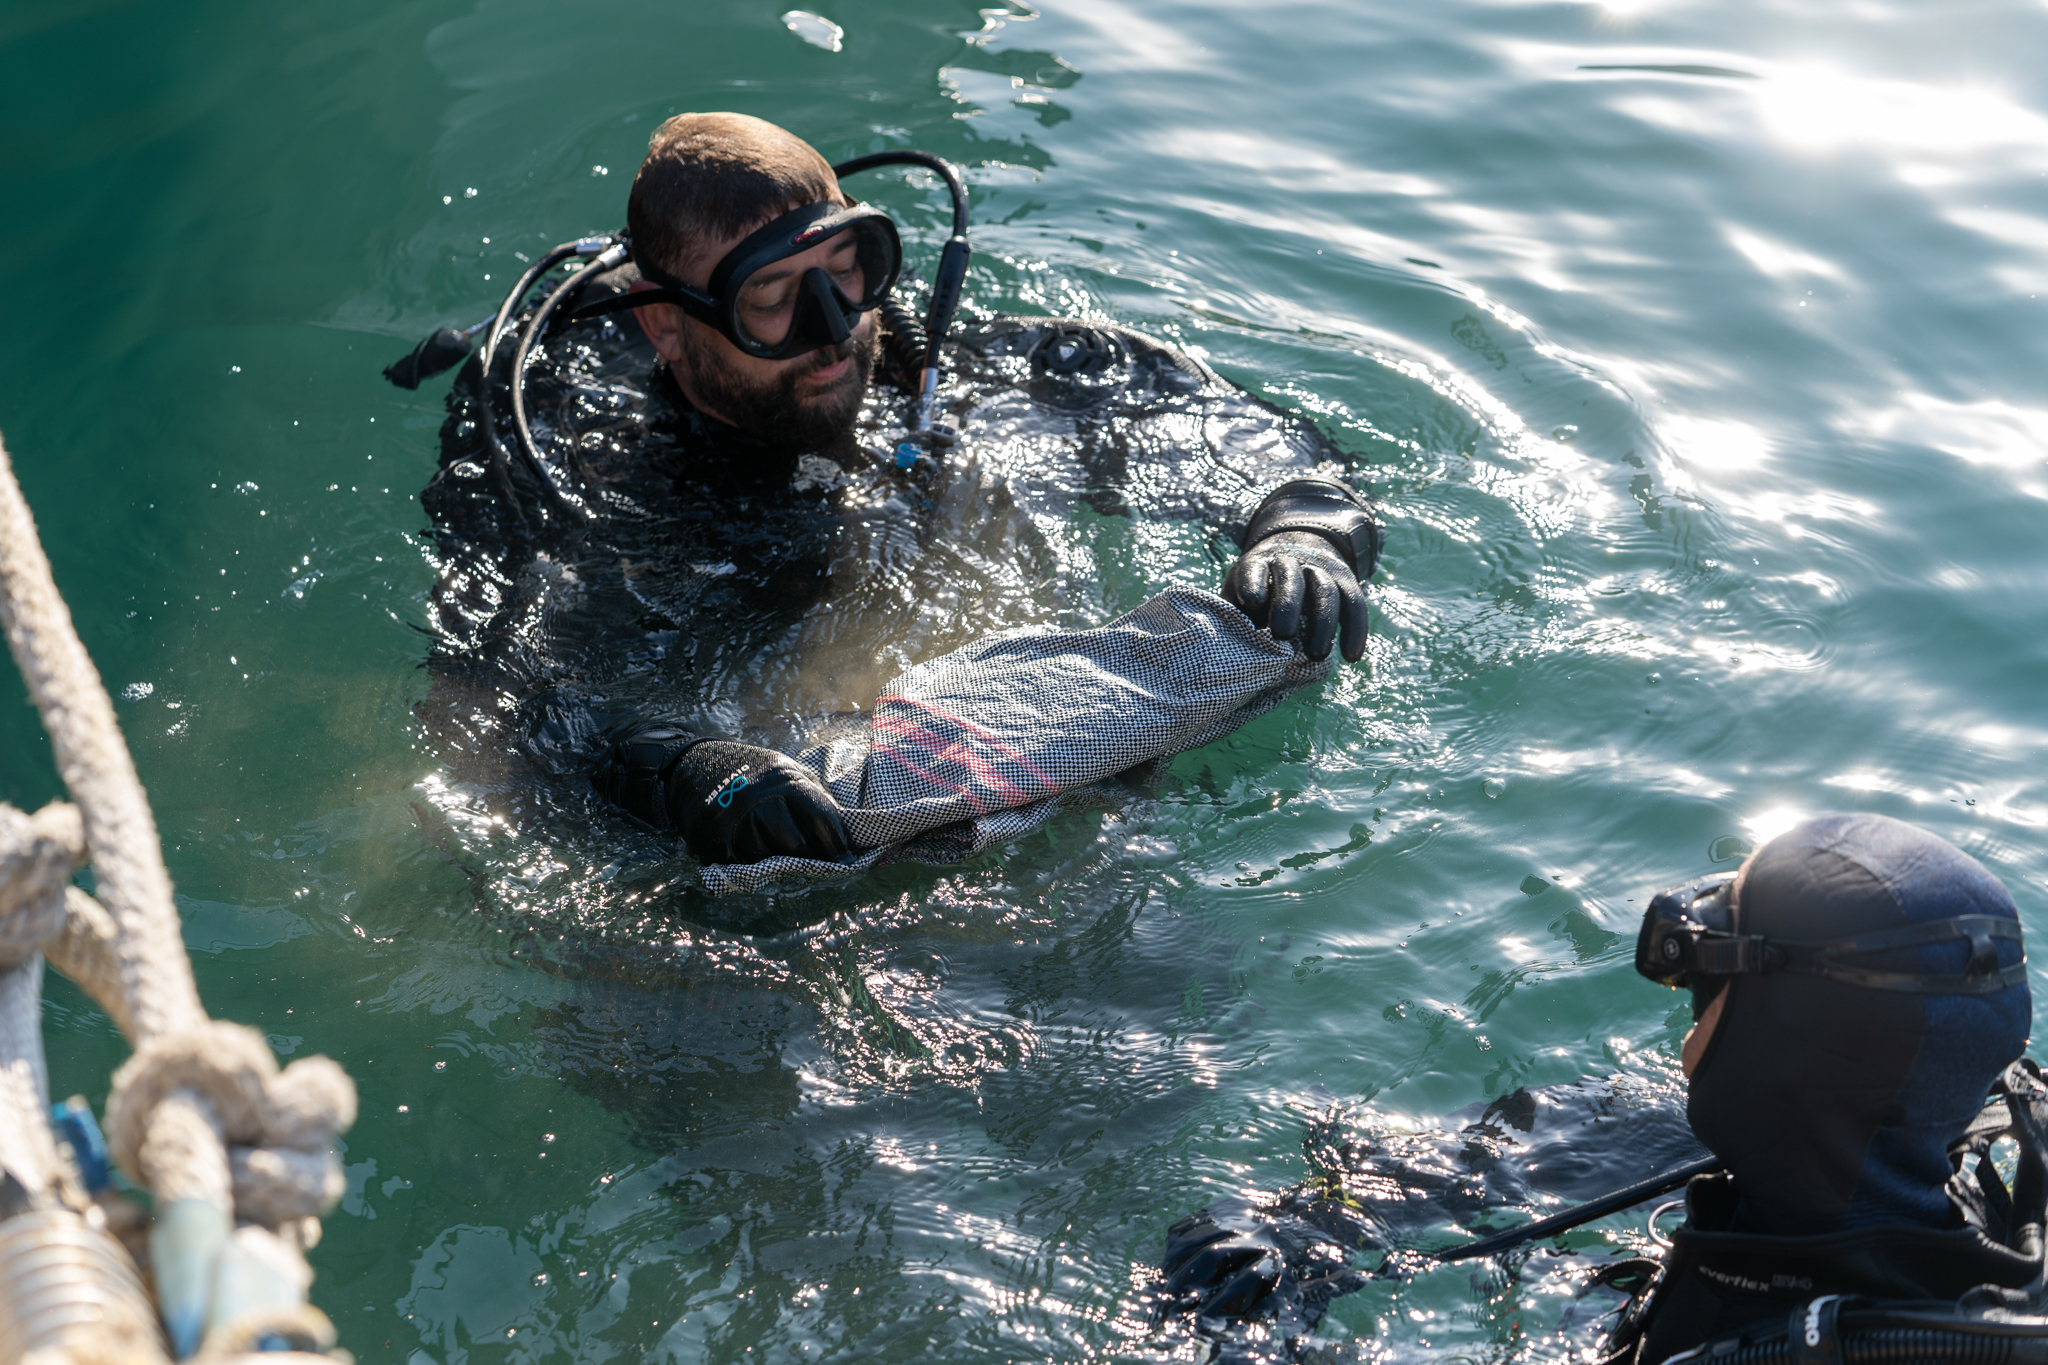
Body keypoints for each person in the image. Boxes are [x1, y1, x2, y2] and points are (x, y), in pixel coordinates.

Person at [418, 112, 1380, 875]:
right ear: (669, 327)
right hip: (806, 871)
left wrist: (1303, 523)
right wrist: (680, 771)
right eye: (773, 301)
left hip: (1043, 812)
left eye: (846, 272)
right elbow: (503, 701)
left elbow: (1220, 428)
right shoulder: (591, 480)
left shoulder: (963, 379)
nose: (834, 328)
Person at [1149, 813, 2046, 1365]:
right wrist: (1285, 1228)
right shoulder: (1959, 1178)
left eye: (1703, 992)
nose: (1686, 1026)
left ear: (1768, 1053)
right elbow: (1461, 1166)